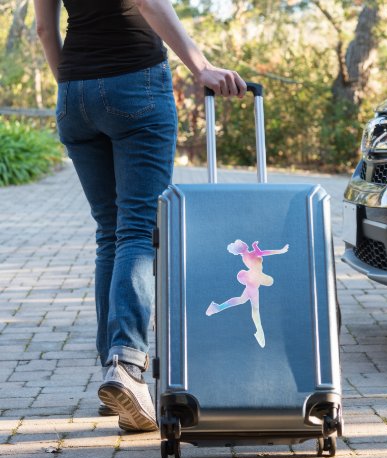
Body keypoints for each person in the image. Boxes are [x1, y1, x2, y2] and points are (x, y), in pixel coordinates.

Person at [34, 0, 246, 432]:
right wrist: (199, 66)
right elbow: (147, 3)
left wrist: (75, 89)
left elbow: (43, 30)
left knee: (109, 234)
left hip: (73, 92)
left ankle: (114, 370)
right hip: (135, 82)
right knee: (135, 230)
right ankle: (127, 365)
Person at [206, 240, 289, 348]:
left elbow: (259, 253)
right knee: (254, 309)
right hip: (252, 283)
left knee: (243, 301)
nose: (243, 242)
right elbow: (264, 253)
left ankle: (217, 308)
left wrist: (255, 247)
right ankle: (259, 331)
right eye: (240, 243)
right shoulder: (250, 255)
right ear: (242, 247)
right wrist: (281, 251)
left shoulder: (246, 256)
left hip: (251, 282)